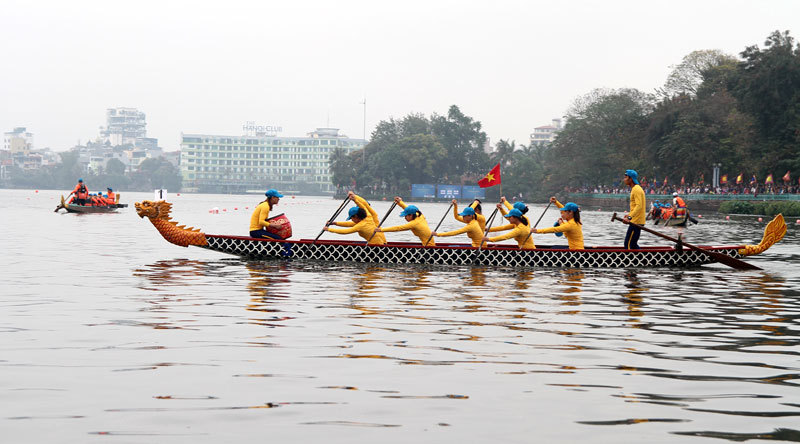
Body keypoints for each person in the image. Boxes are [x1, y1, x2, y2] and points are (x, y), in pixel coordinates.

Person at [621, 169, 646, 249]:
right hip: (635, 220)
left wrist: (629, 217)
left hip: (636, 222)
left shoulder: (636, 189)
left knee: (628, 245)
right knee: (633, 244)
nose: (624, 179)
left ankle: (629, 260)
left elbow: (639, 206)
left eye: (625, 177)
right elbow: (636, 206)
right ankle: (642, 258)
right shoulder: (636, 189)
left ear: (630, 179)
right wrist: (629, 215)